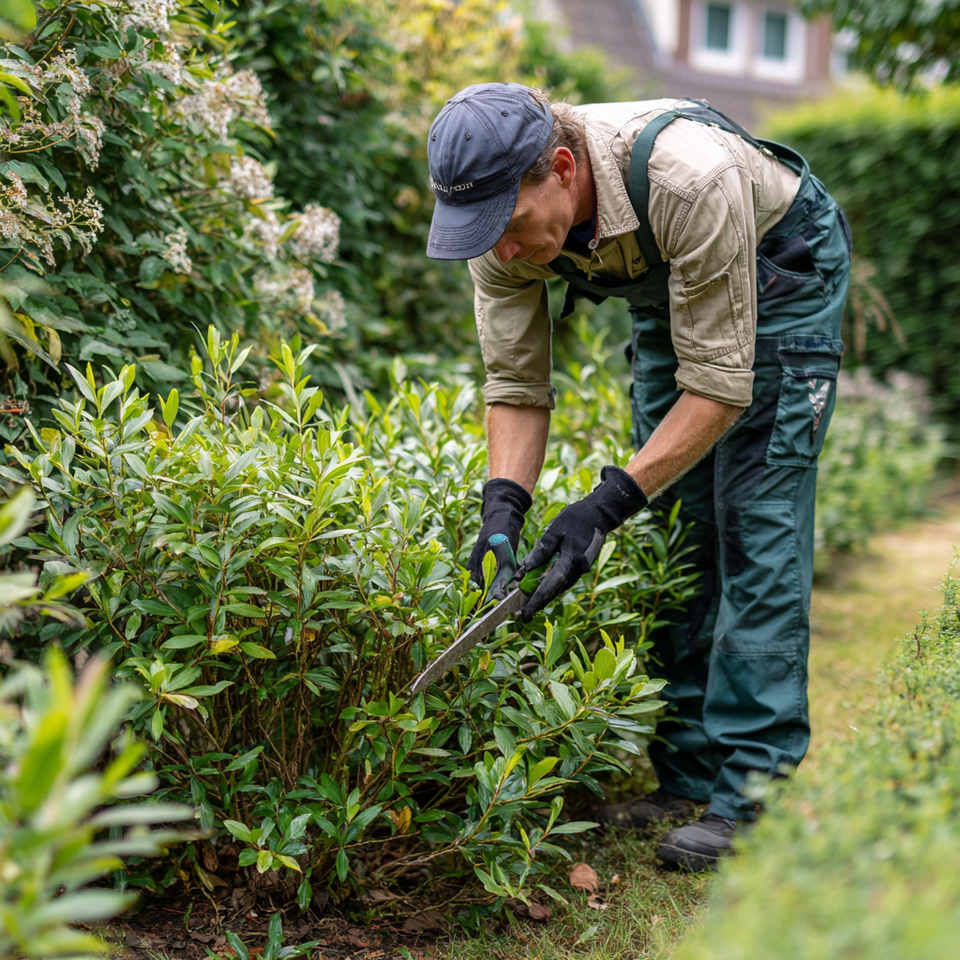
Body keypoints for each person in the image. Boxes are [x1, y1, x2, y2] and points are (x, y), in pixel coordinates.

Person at [425, 83, 851, 871]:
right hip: (677, 292)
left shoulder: (688, 176)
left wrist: (602, 504)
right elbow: (517, 387)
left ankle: (752, 794)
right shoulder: (501, 231)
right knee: (673, 528)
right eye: (484, 235)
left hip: (782, 274)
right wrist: (502, 510)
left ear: (559, 167)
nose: (504, 252)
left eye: (510, 227)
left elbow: (721, 389)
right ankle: (686, 775)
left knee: (754, 524)